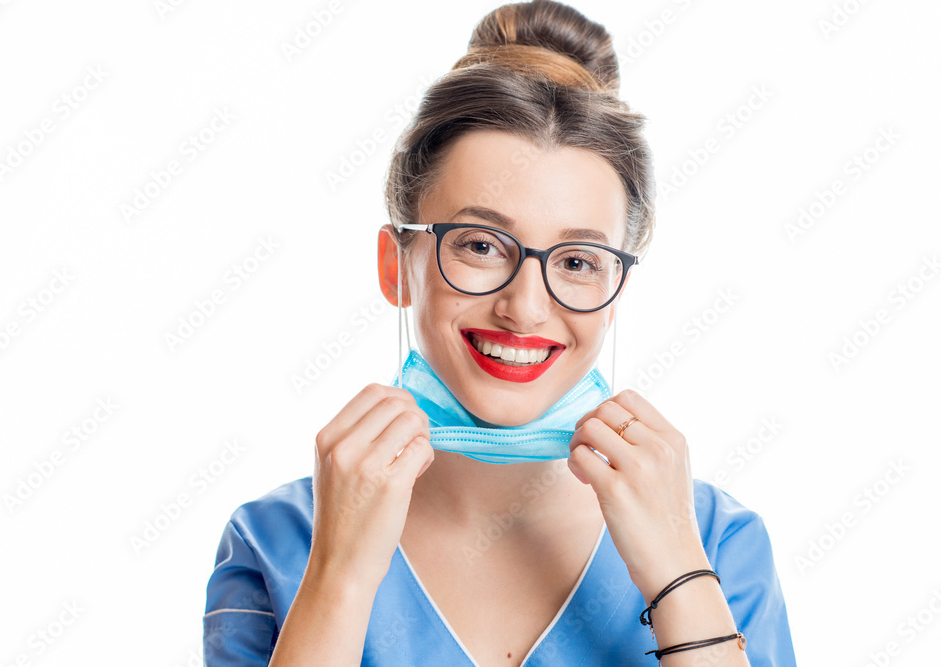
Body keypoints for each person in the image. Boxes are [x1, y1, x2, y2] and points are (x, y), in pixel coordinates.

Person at [202, 1, 797, 665]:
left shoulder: (719, 542)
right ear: (397, 264)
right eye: (481, 245)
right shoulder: (276, 544)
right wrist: (340, 578)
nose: (527, 307)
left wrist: (680, 574)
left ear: (616, 288)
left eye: (576, 262)